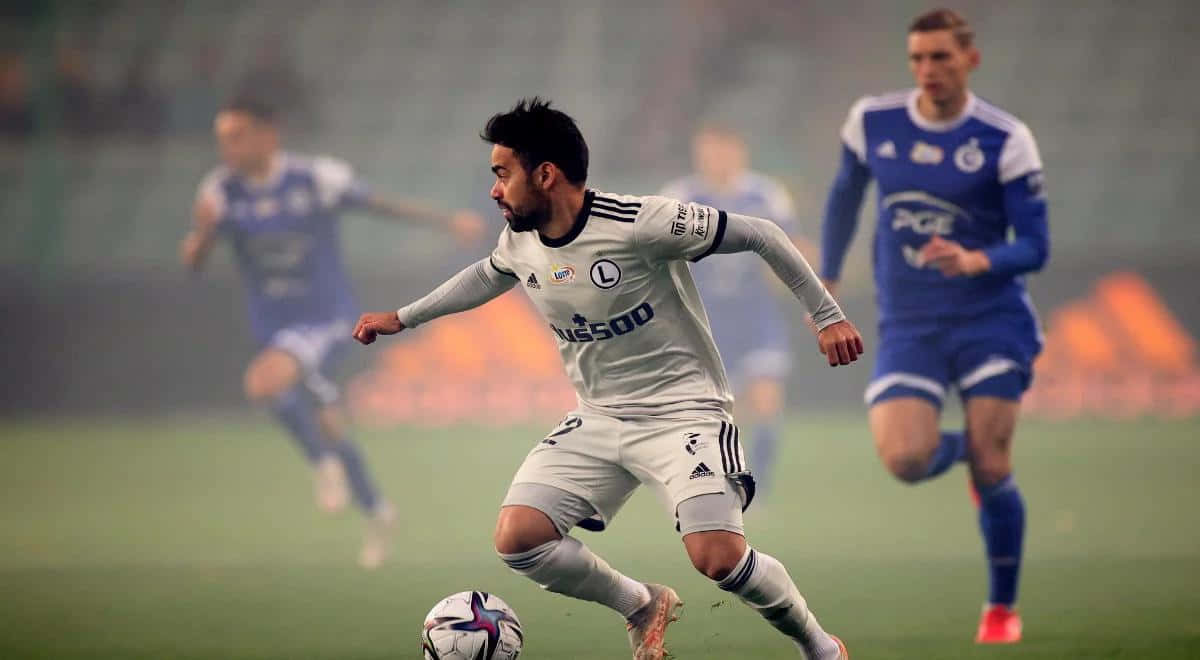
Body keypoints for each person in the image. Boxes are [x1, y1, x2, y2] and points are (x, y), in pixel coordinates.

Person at [354, 98, 861, 660]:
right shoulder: (520, 239)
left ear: (544, 175)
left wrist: (828, 315)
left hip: (684, 414)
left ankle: (820, 648)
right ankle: (643, 605)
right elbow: (486, 275)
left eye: (503, 174)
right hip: (597, 417)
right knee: (520, 540)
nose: (495, 190)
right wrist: (404, 317)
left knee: (716, 558)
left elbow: (763, 233)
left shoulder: (640, 223)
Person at [820, 9, 1048, 644]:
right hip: (909, 324)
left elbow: (1035, 245)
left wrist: (978, 258)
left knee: (994, 463)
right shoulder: (874, 122)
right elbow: (844, 195)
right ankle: (972, 457)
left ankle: (1001, 611)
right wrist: (827, 277)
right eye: (918, 58)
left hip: (990, 319)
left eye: (940, 58)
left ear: (968, 61)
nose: (927, 71)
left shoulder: (1005, 139)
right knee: (905, 458)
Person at [180, 97, 483, 569]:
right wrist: (201, 236)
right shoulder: (220, 190)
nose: (228, 148)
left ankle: (321, 464)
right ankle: (377, 510)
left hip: (327, 321)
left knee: (263, 382)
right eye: (222, 138)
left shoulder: (313, 178)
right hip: (274, 328)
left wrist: (447, 223)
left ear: (268, 133)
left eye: (237, 136)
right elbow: (193, 262)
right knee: (326, 421)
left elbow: (379, 206)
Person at [661, 125, 806, 504]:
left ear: (739, 151)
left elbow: (791, 250)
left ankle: (757, 492)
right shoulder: (680, 197)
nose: (716, 158)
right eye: (708, 150)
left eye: (724, 149)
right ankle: (708, 484)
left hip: (756, 317)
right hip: (701, 321)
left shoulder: (766, 195)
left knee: (767, 400)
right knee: (717, 413)